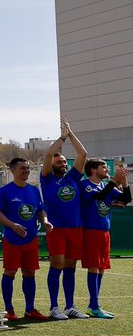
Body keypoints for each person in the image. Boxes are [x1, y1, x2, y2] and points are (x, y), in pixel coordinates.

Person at [0, 157, 52, 322]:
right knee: (10, 271)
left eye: (28, 168)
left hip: (30, 239)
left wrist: (45, 221)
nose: (26, 171)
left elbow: (41, 210)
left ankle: (30, 309)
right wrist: (12, 225)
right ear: (13, 171)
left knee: (30, 272)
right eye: (22, 168)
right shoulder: (4, 191)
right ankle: (9, 310)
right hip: (12, 239)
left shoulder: (33, 190)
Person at [39, 120, 88, 319]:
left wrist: (71, 134)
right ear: (52, 165)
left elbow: (83, 154)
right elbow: (49, 154)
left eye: (65, 162)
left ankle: (70, 306)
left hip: (75, 228)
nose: (63, 164)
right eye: (59, 162)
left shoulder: (73, 178)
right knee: (56, 264)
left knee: (71, 266)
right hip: (56, 229)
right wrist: (61, 138)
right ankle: (54, 307)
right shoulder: (47, 178)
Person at [79, 158, 128, 318]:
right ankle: (93, 305)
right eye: (104, 167)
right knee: (93, 267)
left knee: (101, 268)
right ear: (93, 170)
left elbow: (125, 199)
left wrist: (124, 182)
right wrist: (114, 181)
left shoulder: (104, 185)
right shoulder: (85, 184)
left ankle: (95, 305)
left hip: (104, 232)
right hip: (91, 231)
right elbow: (99, 196)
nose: (107, 169)